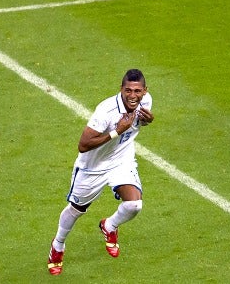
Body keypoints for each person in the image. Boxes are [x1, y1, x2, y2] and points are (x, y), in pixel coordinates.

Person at [47, 69, 154, 276]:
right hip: (92, 166)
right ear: (121, 89)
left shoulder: (146, 101)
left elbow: (141, 122)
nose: (133, 96)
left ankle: (110, 225)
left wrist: (149, 120)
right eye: (128, 90)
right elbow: (83, 145)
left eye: (137, 91)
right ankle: (58, 245)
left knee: (134, 205)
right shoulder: (106, 111)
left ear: (144, 90)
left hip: (121, 160)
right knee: (77, 209)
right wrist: (116, 131)